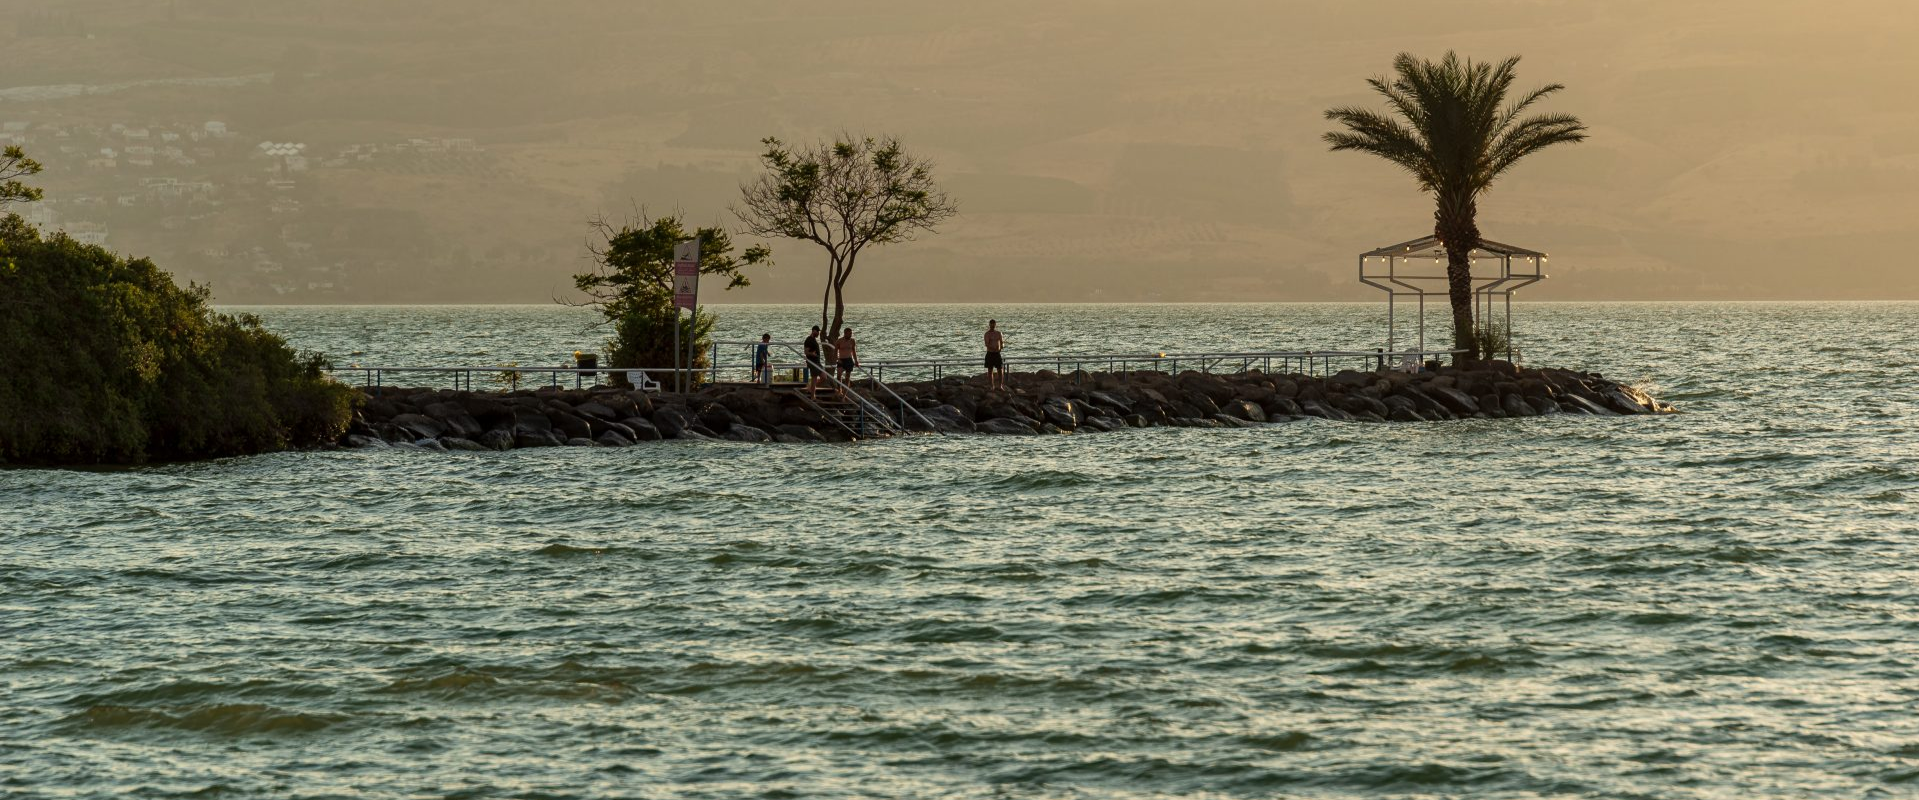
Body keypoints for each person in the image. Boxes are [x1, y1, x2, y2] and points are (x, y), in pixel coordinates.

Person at [834, 327, 858, 398]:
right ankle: (839, 390)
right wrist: (838, 359)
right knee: (839, 375)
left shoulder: (852, 341)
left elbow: (854, 352)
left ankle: (844, 395)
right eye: (849, 333)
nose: (850, 335)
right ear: (845, 333)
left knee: (847, 378)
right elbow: (835, 352)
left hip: (849, 360)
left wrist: (856, 361)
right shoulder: (839, 341)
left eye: (851, 333)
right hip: (841, 360)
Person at [802, 325, 824, 398]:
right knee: (814, 378)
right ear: (814, 331)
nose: (818, 333)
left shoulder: (814, 339)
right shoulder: (809, 340)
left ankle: (810, 388)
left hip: (817, 362)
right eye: (817, 331)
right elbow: (806, 352)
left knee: (824, 377)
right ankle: (812, 396)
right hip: (812, 362)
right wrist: (812, 354)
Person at [984, 319, 1006, 390]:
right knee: (990, 370)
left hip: (997, 354)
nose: (992, 326)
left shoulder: (999, 333)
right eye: (991, 324)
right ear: (989, 325)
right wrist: (993, 348)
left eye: (993, 324)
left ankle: (1000, 386)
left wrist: (1001, 347)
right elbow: (986, 344)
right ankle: (991, 386)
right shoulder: (987, 334)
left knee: (1000, 369)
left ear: (995, 325)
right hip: (990, 353)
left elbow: (1002, 342)